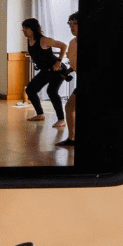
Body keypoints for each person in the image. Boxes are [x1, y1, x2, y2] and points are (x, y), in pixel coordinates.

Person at [21, 18, 68, 128]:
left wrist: (59, 62)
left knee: (51, 91)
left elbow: (63, 46)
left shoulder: (44, 40)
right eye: (23, 28)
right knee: (30, 90)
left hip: (57, 69)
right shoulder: (29, 40)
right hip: (45, 71)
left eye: (25, 28)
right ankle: (40, 114)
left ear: (32, 29)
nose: (23, 31)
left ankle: (61, 120)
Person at [54, 11, 79, 148]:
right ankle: (72, 138)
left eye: (75, 23)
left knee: (70, 107)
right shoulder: (72, 42)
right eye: (70, 23)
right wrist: (67, 71)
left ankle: (73, 138)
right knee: (70, 107)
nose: (72, 27)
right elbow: (75, 63)